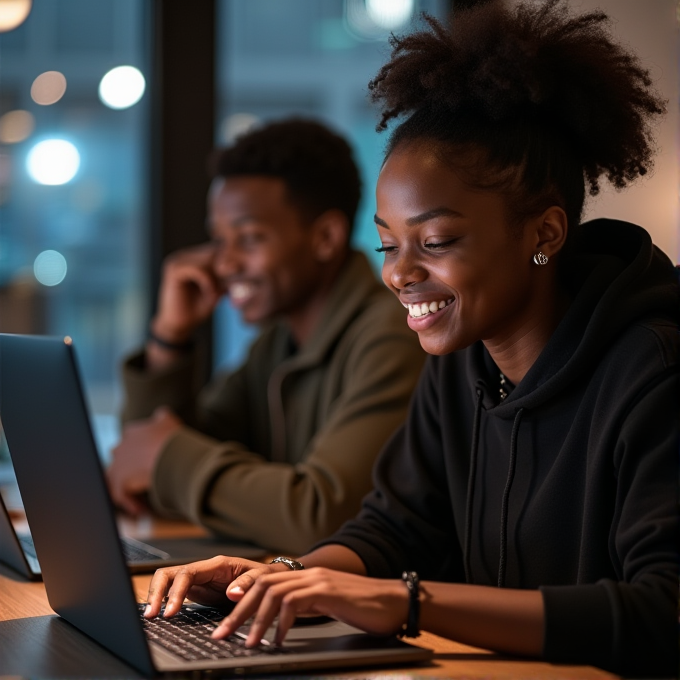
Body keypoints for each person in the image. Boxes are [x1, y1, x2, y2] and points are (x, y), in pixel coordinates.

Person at [142, 2, 679, 676]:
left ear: (543, 235)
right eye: (389, 243)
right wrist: (282, 577)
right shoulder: (463, 361)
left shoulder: (652, 371)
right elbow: (394, 528)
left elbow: (663, 614)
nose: (399, 274)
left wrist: (404, 603)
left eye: (437, 241)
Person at [106, 118, 426, 555]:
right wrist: (170, 338)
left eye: (250, 238)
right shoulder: (276, 344)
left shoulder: (393, 338)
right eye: (219, 240)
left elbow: (325, 517)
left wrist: (167, 460)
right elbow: (146, 471)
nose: (225, 263)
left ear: (326, 238)